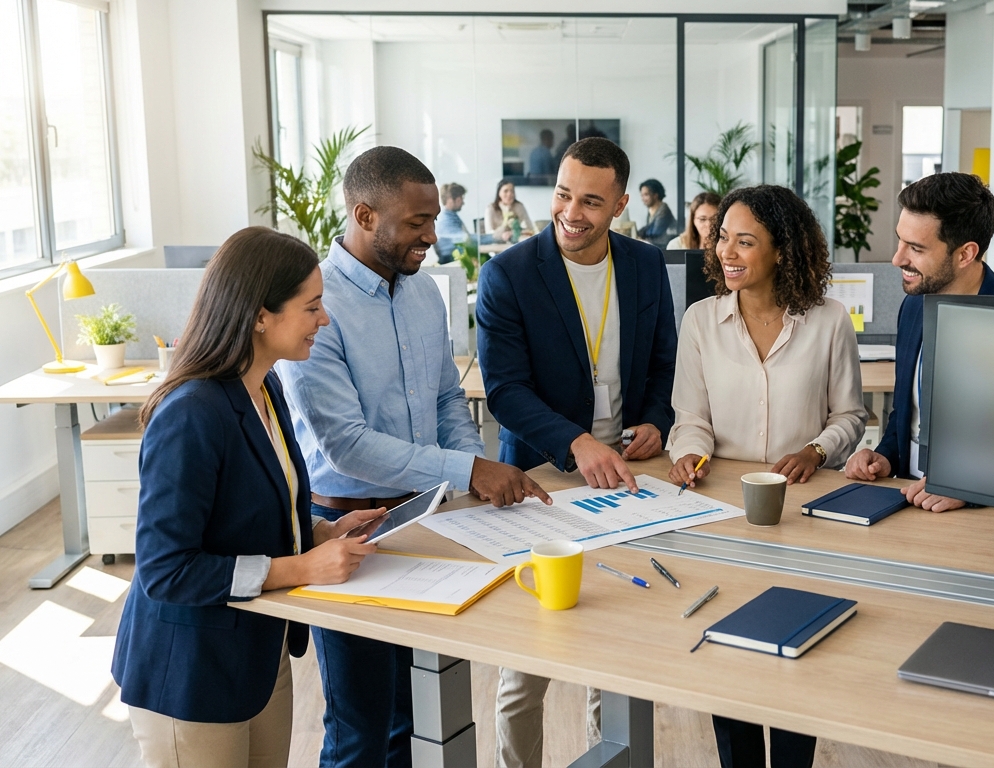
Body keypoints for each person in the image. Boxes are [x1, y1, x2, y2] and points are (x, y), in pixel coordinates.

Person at [280, 146, 550, 768]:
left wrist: (465, 473)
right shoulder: (317, 307)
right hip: (345, 529)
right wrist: (469, 468)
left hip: (425, 518)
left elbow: (447, 397)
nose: (432, 235)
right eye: (416, 223)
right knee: (360, 729)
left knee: (416, 716)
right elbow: (343, 444)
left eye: (433, 220)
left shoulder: (426, 293)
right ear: (365, 215)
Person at [112, 226, 384, 768]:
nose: (324, 320)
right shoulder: (191, 414)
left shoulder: (264, 386)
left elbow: (252, 502)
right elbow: (167, 571)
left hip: (257, 653)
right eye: (311, 308)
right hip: (190, 673)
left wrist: (319, 532)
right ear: (261, 315)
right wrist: (301, 567)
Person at [475, 136, 677, 768]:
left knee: (613, 649)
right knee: (527, 665)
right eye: (564, 194)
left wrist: (655, 421)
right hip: (543, 480)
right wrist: (576, 440)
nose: (572, 212)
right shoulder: (508, 273)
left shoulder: (645, 267)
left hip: (627, 482)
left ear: (619, 204)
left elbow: (665, 366)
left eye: (591, 201)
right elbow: (504, 391)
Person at [667, 185, 866, 768]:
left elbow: (851, 416)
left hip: (803, 512)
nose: (726, 250)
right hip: (723, 512)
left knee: (793, 649)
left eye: (744, 241)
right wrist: (690, 454)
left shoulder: (828, 320)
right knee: (729, 651)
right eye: (722, 236)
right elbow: (690, 417)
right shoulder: (701, 320)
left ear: (782, 250)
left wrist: (817, 449)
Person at [844, 172, 994, 511]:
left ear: (965, 254)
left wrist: (969, 487)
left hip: (983, 518)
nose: (898, 259)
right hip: (906, 500)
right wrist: (884, 456)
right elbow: (906, 414)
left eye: (915, 248)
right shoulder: (914, 306)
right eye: (900, 241)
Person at [485, 179, 537, 243]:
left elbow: (529, 228)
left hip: (517, 242)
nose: (509, 194)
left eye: (512, 191)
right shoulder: (491, 208)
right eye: (506, 191)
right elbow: (489, 233)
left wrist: (512, 233)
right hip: (496, 243)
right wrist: (502, 234)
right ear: (499, 193)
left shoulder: (519, 206)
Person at [434, 182, 470, 264]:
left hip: (456, 259)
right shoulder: (445, 219)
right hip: (451, 261)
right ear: (450, 200)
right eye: (460, 199)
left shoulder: (452, 216)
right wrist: (493, 237)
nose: (462, 202)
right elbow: (467, 239)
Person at [638, 178, 677, 248]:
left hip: (665, 248)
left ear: (655, 195)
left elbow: (654, 232)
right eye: (642, 195)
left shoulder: (663, 210)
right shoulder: (652, 211)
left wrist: (640, 236)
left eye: (646, 195)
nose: (643, 199)